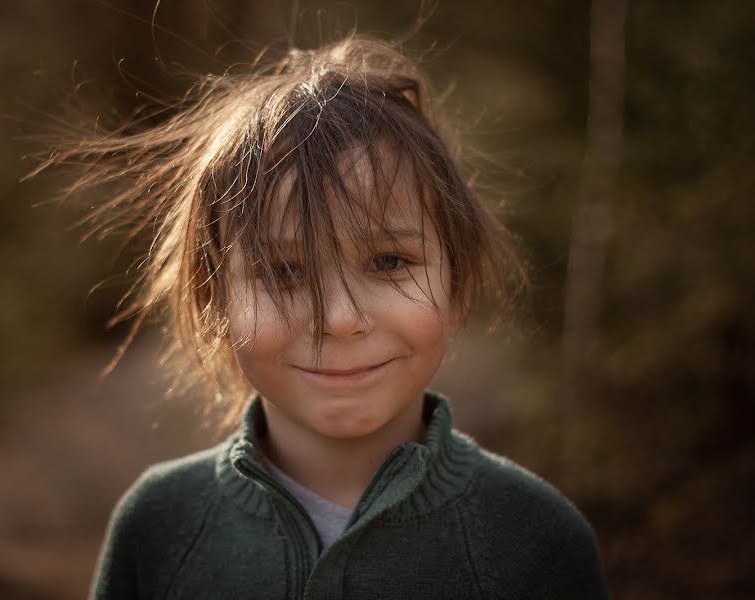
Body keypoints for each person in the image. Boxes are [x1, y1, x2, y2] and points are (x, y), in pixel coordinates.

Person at [38, 35, 608, 599]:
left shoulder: (537, 540)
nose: (338, 319)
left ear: (457, 283)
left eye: (388, 262)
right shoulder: (158, 527)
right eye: (284, 272)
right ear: (215, 302)